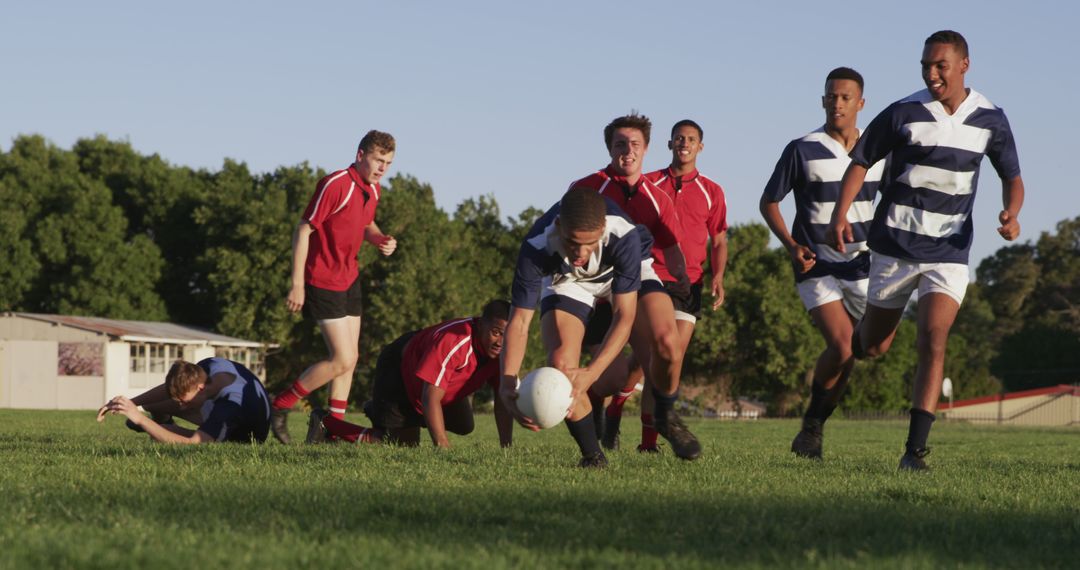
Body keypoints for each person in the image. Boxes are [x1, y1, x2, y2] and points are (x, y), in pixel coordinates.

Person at [827, 31, 1025, 471]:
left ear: (964, 65)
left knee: (933, 340)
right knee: (874, 347)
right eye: (925, 66)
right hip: (894, 246)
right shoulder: (903, 112)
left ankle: (914, 452)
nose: (931, 73)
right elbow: (861, 162)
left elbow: (1013, 177)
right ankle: (856, 339)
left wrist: (1011, 213)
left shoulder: (991, 119)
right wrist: (842, 214)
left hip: (949, 251)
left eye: (940, 66)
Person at [759, 67, 884, 459]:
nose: (838, 103)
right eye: (832, 96)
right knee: (842, 347)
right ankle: (812, 431)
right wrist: (792, 244)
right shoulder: (803, 148)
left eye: (846, 97)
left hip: (864, 266)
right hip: (817, 265)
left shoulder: (880, 151)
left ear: (861, 103)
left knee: (869, 350)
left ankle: (813, 424)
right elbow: (769, 202)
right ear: (823, 101)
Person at [591, 119, 729, 453]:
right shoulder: (647, 183)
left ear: (700, 146)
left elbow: (719, 238)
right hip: (639, 278)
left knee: (669, 357)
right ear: (669, 145)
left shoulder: (712, 191)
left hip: (684, 282)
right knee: (642, 363)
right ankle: (616, 406)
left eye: (691, 139)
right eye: (679, 138)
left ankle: (649, 438)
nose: (684, 143)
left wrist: (716, 276)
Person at [572, 112, 702, 461]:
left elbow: (672, 249)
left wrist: (682, 281)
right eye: (619, 144)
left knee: (668, 344)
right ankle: (595, 401)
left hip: (638, 271)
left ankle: (665, 416)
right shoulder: (586, 187)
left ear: (645, 149)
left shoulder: (657, 197)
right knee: (611, 377)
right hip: (594, 279)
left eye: (634, 144)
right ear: (609, 149)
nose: (627, 150)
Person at [500, 187, 651, 468]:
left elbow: (624, 316)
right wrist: (507, 380)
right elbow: (519, 322)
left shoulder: (623, 234)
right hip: (569, 281)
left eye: (589, 243)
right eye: (572, 242)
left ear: (603, 228)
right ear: (558, 227)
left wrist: (592, 374)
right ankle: (593, 456)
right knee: (560, 362)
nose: (580, 253)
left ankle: (602, 403)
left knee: (617, 375)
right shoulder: (536, 244)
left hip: (616, 277)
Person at [271, 130, 398, 444]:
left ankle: (331, 429)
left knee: (350, 359)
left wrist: (380, 239)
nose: (383, 168)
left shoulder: (374, 189)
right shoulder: (336, 184)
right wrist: (297, 285)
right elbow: (303, 229)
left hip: (350, 278)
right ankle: (280, 404)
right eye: (378, 160)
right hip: (322, 280)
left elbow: (366, 223)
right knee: (341, 358)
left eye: (388, 163)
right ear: (360, 155)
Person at [310, 300, 513, 448]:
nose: (500, 342)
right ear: (480, 324)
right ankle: (325, 422)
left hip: (429, 390)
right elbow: (429, 398)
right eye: (496, 332)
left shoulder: (503, 352)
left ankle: (379, 411)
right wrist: (442, 445)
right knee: (396, 446)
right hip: (399, 371)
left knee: (465, 425)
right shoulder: (455, 341)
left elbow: (502, 399)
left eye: (506, 334)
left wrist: (506, 447)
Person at [97, 358, 271, 444]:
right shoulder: (210, 366)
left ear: (200, 388)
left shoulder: (229, 405)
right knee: (151, 405)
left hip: (244, 436)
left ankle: (160, 424)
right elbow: (174, 388)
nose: (181, 405)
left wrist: (140, 418)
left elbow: (193, 443)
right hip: (232, 407)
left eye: (184, 402)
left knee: (162, 433)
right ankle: (160, 420)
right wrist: (131, 402)